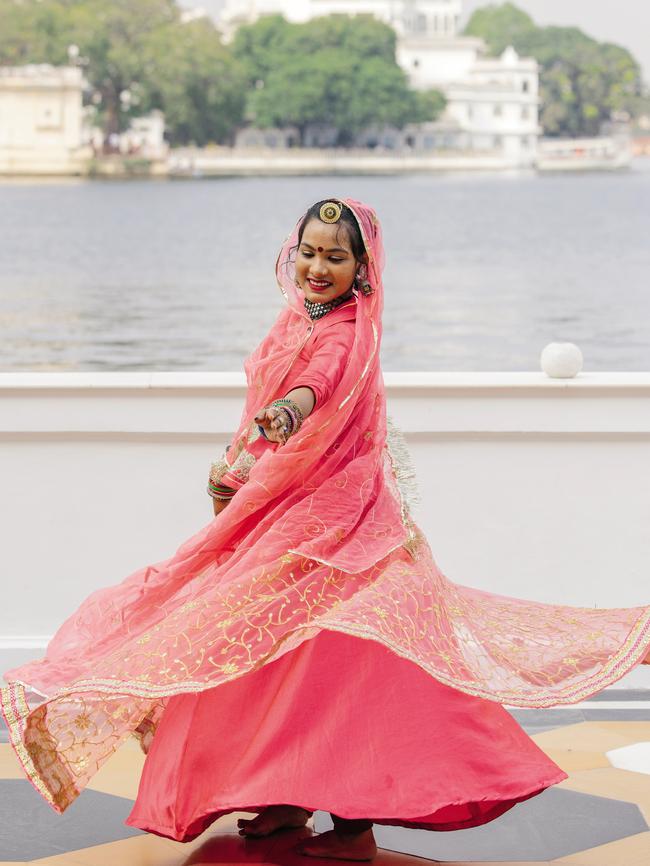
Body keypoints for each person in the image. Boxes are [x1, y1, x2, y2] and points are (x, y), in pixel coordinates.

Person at [2, 198, 649, 862]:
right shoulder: (296, 320)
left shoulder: (347, 332)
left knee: (343, 674)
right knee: (275, 657)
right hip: (292, 515)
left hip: (341, 529)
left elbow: (317, 382)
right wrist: (243, 467)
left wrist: (289, 411)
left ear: (362, 270)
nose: (318, 267)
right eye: (309, 252)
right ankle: (285, 798)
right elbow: (267, 397)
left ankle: (353, 827)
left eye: (336, 257)